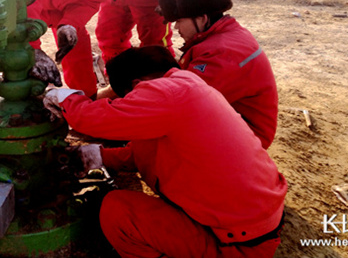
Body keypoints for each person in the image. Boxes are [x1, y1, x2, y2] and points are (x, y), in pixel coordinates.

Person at [44, 46, 287, 258]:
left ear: (137, 85)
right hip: (256, 225)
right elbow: (146, 151)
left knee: (117, 212)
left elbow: (92, 120)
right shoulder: (189, 86)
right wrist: (94, 156)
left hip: (236, 246)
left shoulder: (166, 92)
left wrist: (65, 98)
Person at [156, 0, 279, 148]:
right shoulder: (225, 34)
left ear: (202, 18)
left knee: (156, 137)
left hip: (246, 139)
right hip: (235, 123)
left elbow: (180, 104)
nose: (176, 28)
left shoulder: (220, 53)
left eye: (180, 21)